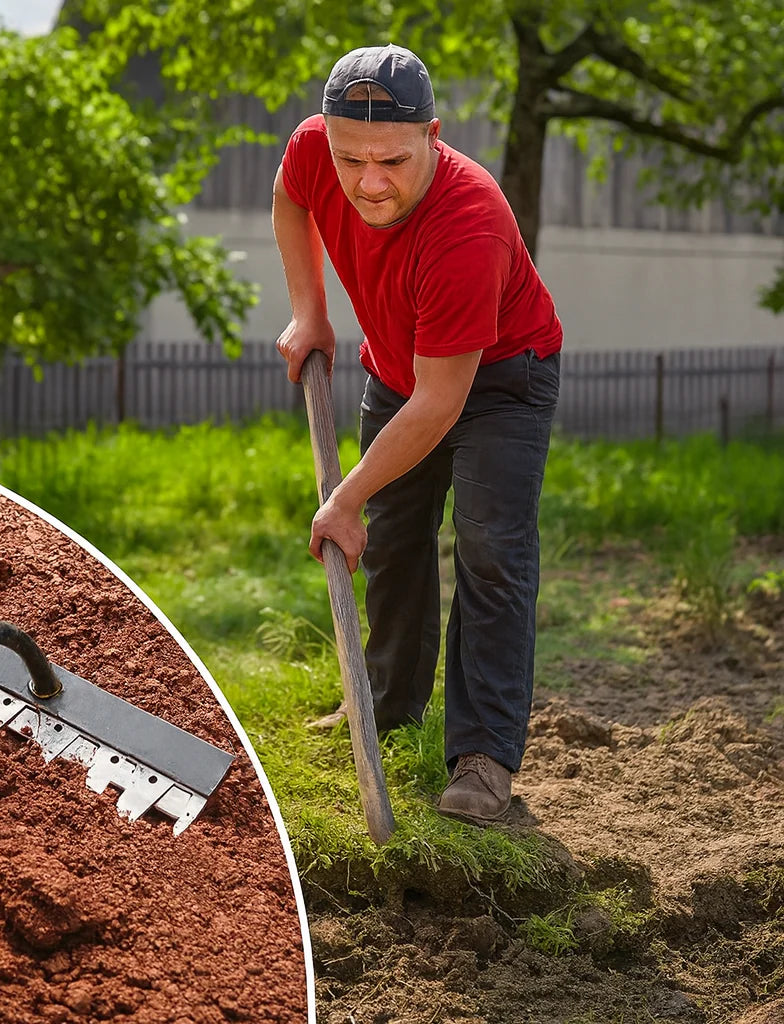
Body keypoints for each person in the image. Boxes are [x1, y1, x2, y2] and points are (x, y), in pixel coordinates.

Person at [272, 43, 563, 825]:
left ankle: (482, 757)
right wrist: (311, 312)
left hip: (501, 380)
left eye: (393, 161)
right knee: (395, 542)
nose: (369, 182)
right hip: (401, 369)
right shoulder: (312, 150)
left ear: (433, 134)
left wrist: (343, 501)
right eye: (350, 159)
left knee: (489, 549)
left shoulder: (470, 222)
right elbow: (291, 195)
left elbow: (440, 406)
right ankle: (387, 710)